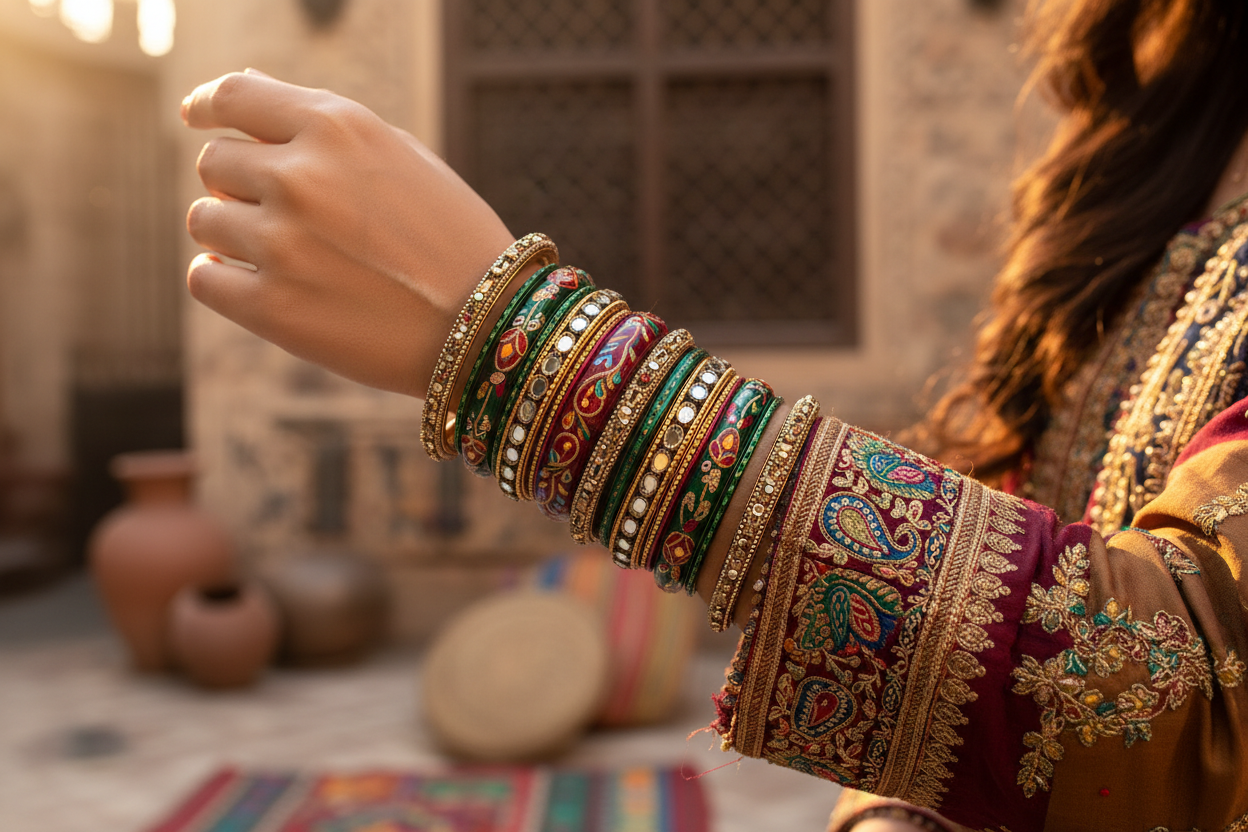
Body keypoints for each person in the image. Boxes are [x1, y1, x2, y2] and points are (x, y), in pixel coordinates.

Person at [180, 0, 1247, 829]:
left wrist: (528, 353)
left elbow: (1169, 693)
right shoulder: (1174, 136)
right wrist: (893, 806)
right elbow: (1028, 516)